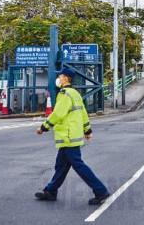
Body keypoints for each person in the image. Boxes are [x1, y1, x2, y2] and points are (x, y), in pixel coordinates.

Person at [35, 68, 110, 205]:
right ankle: (50, 191)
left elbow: (58, 114)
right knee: (61, 166)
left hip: (67, 137)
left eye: (60, 76)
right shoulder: (75, 94)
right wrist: (87, 130)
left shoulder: (64, 94)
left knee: (79, 166)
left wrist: (43, 127)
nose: (58, 78)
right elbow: (83, 113)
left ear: (65, 78)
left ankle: (100, 191)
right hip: (71, 137)